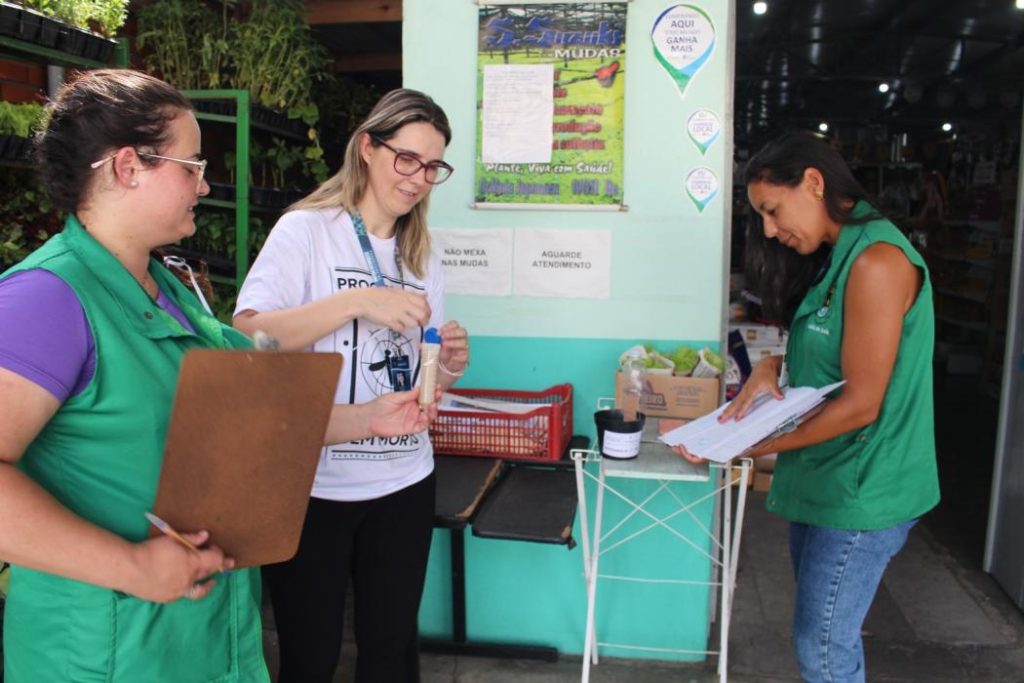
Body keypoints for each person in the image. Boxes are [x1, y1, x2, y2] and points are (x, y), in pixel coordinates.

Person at [0, 69, 434, 682]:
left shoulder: (168, 289)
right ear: (128, 167)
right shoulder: (47, 299)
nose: (204, 185)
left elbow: (249, 418)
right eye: (191, 166)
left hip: (204, 637)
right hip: (108, 649)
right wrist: (131, 566)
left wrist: (369, 419)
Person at [678, 131, 939, 683]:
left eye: (773, 210)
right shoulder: (837, 256)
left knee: (822, 648)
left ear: (814, 183)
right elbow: (838, 354)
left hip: (865, 486)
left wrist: (747, 445)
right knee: (824, 635)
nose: (770, 230)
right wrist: (774, 366)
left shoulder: (877, 262)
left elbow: (861, 404)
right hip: (828, 477)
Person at [233, 88, 469, 683]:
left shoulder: (423, 255)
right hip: (314, 483)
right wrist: (358, 300)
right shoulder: (307, 232)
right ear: (367, 147)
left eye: (432, 167)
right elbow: (249, 337)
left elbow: (421, 375)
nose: (418, 179)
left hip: (403, 478)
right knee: (309, 655)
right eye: (406, 158)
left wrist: (446, 367)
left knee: (390, 652)